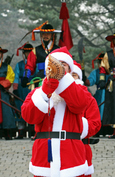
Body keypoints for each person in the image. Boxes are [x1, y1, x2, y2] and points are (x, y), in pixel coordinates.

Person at [21, 47, 92, 176]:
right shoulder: (37, 93)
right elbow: (29, 117)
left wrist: (63, 80)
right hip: (44, 156)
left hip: (71, 156)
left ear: (70, 70)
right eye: (54, 64)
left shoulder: (81, 90)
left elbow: (80, 104)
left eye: (62, 65)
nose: (57, 67)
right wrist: (45, 91)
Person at [72, 61, 101, 177]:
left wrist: (76, 128)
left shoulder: (88, 99)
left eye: (74, 75)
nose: (70, 78)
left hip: (81, 148)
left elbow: (95, 124)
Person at [22, 22, 61, 88]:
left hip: (56, 78)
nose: (45, 35)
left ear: (52, 35)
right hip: (39, 79)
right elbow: (29, 66)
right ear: (41, 35)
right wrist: (25, 77)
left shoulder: (58, 50)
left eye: (48, 34)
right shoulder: (35, 50)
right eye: (43, 33)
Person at [84, 52, 112, 137]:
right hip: (100, 94)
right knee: (98, 111)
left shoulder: (113, 71)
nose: (101, 64)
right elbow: (89, 82)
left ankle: (111, 130)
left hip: (111, 94)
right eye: (100, 62)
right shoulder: (96, 72)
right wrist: (83, 76)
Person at [13, 42, 34, 139]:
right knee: (20, 107)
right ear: (24, 53)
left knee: (33, 107)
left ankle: (33, 130)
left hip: (32, 87)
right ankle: (21, 130)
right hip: (21, 88)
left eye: (30, 52)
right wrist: (15, 88)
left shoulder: (36, 63)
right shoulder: (19, 64)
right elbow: (16, 76)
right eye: (26, 52)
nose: (28, 54)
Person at [0, 46, 15, 140]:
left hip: (2, 91)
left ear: (2, 54)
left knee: (6, 111)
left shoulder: (7, 67)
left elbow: (11, 77)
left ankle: (7, 132)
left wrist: (3, 84)